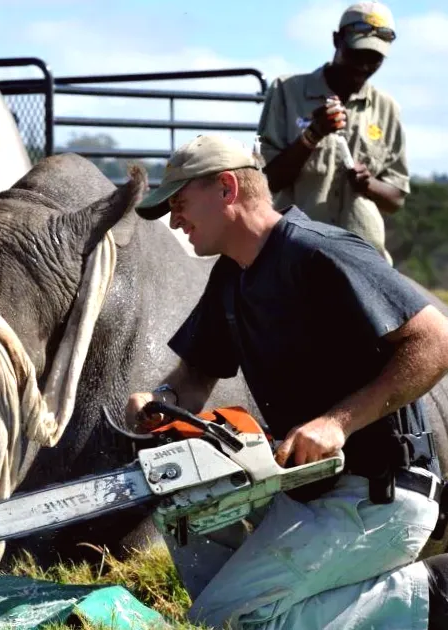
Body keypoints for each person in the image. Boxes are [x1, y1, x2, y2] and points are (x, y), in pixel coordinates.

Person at [130, 133, 448, 628]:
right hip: (306, 489)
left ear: (227, 189)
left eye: (181, 203)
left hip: (379, 492)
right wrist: (162, 400)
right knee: (186, 517)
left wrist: (338, 423)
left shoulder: (320, 253)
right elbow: (195, 376)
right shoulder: (232, 276)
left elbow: (436, 341)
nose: (175, 221)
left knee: (232, 620)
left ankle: (428, 597)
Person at [257, 1, 407, 264]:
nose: (364, 65)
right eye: (357, 54)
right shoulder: (287, 91)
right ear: (337, 40)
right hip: (295, 252)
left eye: (374, 59)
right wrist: (312, 135)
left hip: (364, 259)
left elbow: (396, 198)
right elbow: (266, 182)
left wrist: (368, 183)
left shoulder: (387, 109)